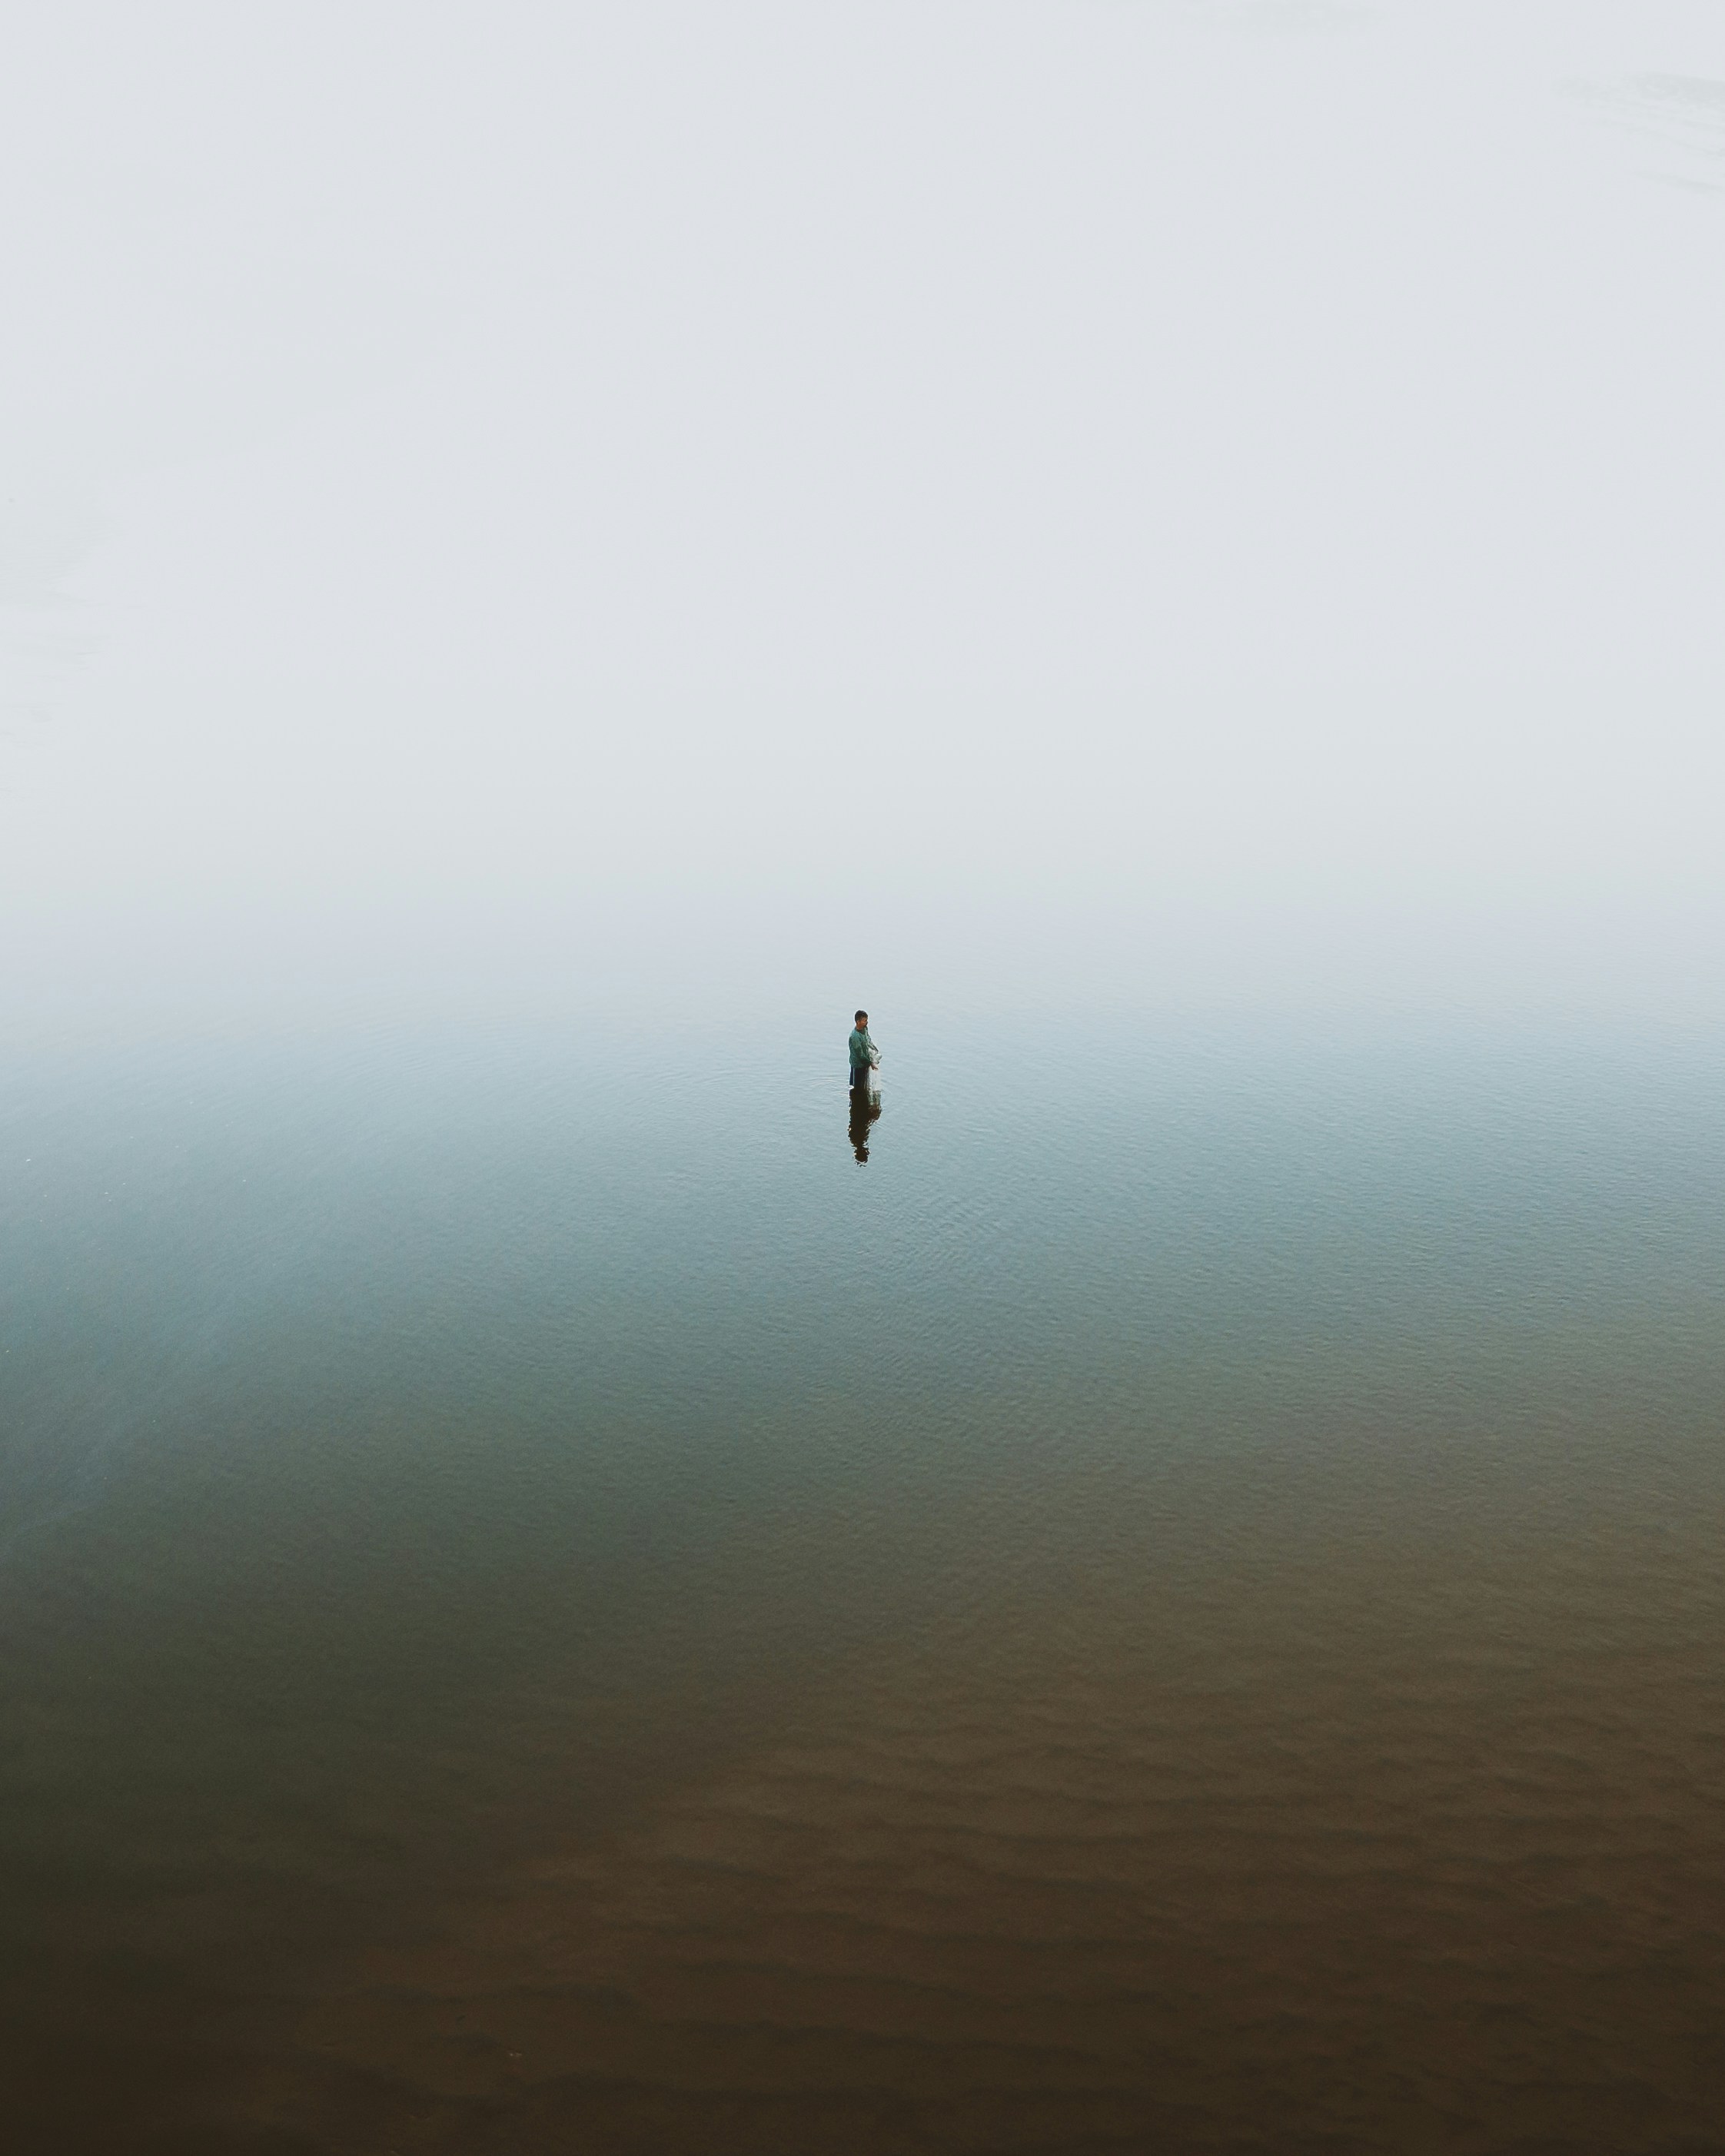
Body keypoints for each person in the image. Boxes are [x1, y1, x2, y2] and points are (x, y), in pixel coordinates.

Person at [847, 1010, 879, 1091]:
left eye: (866, 1020)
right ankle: (857, 1099)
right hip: (858, 1064)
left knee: (864, 1084)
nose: (867, 1022)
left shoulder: (865, 1029)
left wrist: (874, 1048)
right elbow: (860, 1055)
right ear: (858, 1021)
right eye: (864, 1021)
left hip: (865, 1062)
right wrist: (871, 1064)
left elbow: (868, 1040)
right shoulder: (855, 1037)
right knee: (858, 1086)